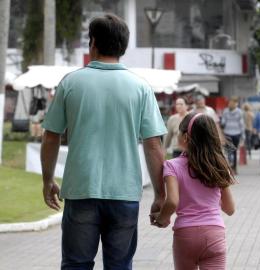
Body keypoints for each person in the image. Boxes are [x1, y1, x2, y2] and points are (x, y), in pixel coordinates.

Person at [40, 14, 167, 269]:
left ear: (93, 42)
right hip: (124, 193)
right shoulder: (140, 88)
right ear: (123, 45)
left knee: (76, 264)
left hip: (81, 189)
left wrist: (47, 180)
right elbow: (153, 145)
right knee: (120, 265)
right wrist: (160, 194)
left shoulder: (71, 83)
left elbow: (51, 136)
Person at [150, 113, 236, 270]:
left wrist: (162, 219)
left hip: (185, 235)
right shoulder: (219, 165)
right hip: (214, 234)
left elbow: (172, 201)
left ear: (185, 138)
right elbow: (230, 209)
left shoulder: (172, 166)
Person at [221, 96, 245, 173]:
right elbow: (241, 124)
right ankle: (234, 168)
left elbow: (223, 122)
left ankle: (231, 165)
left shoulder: (225, 111)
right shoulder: (239, 112)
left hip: (229, 133)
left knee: (229, 151)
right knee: (233, 151)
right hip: (235, 133)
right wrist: (243, 135)